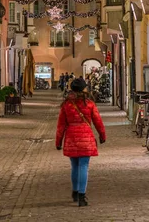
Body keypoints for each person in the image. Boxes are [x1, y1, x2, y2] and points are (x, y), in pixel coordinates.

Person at [55, 78, 106, 207]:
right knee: (84, 166)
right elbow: (98, 121)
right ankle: (82, 197)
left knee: (74, 166)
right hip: (86, 137)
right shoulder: (89, 104)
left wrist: (58, 141)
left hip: (71, 137)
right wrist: (102, 135)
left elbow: (61, 125)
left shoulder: (67, 104)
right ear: (84, 89)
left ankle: (75, 192)